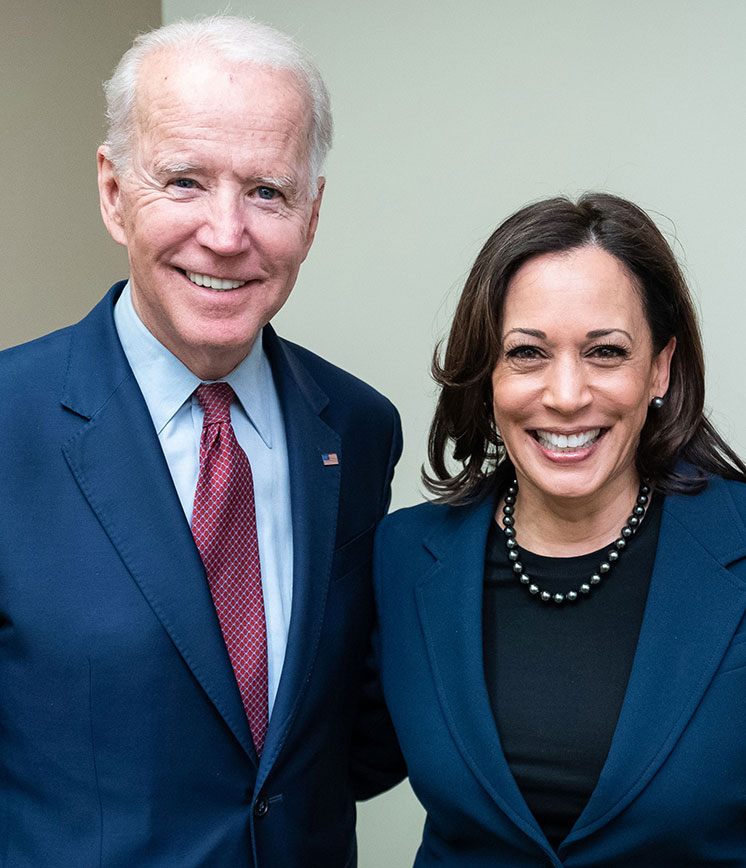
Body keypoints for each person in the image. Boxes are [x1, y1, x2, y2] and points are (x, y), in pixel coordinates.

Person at [0, 15, 404, 867]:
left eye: (267, 191)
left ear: (313, 212)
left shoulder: (360, 431)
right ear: (113, 193)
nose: (227, 233)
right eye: (184, 181)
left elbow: (346, 738)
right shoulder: (10, 422)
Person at [374, 192, 746, 867]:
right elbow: (328, 764)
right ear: (486, 371)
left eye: (605, 352)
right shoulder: (403, 558)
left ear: (659, 367)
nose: (567, 395)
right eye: (527, 354)